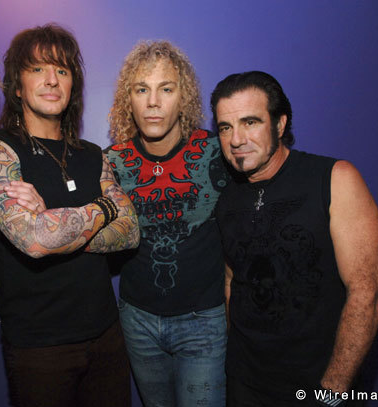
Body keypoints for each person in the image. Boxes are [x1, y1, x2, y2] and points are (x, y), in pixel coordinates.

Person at [0, 24, 139, 407]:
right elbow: (36, 241)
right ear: (17, 85)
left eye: (62, 70)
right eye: (38, 69)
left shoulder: (92, 154)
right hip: (39, 349)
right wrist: (105, 208)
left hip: (106, 336)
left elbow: (131, 232)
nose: (51, 80)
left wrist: (55, 222)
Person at [211, 71, 378, 406]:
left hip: (319, 384)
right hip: (245, 382)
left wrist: (332, 390)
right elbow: (232, 281)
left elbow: (369, 292)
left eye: (250, 122)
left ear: (280, 125)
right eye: (225, 127)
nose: (236, 139)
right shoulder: (227, 199)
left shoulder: (334, 179)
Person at [105, 41, 230, 406]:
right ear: (128, 99)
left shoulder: (216, 152)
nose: (153, 102)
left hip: (203, 320)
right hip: (138, 321)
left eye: (166, 89)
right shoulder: (111, 162)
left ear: (183, 97)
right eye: (141, 89)